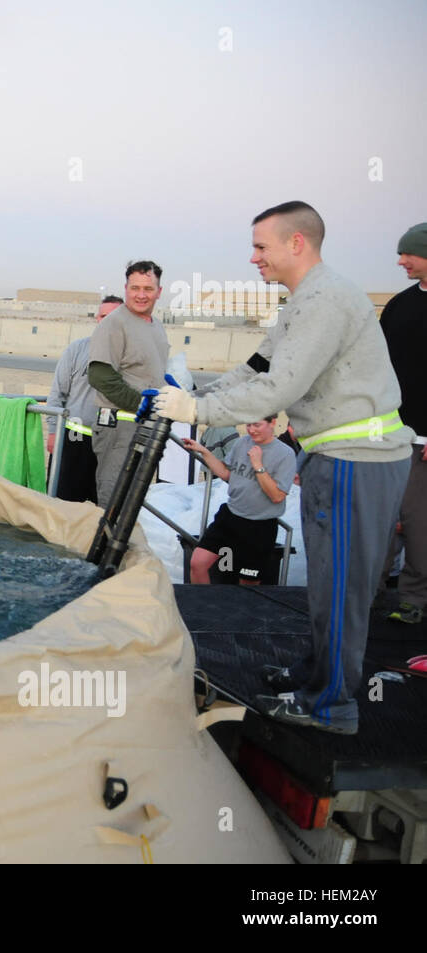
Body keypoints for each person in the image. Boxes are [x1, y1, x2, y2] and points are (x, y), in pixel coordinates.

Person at [155, 202, 413, 734]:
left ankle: (331, 706)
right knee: (326, 584)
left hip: (356, 461)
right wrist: (194, 393)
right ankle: (318, 673)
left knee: (342, 589)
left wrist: (198, 413)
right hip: (335, 456)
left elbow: (277, 390)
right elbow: (258, 366)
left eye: (261, 246)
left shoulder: (326, 301)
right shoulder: (303, 303)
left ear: (297, 243)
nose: (253, 257)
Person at [87, 262, 170, 506]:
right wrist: (141, 403)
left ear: (159, 291)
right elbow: (100, 376)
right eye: (135, 288)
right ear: (125, 288)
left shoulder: (156, 326)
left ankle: (124, 545)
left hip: (146, 426)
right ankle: (105, 544)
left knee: (133, 499)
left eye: (148, 288)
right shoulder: (113, 323)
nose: (141, 295)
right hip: (119, 426)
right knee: (113, 498)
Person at [377, 222, 427, 625]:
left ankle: (414, 601)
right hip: (387, 434)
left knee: (418, 525)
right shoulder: (399, 304)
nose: (400, 260)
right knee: (379, 519)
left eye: (408, 253)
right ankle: (368, 592)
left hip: (423, 442)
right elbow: (375, 366)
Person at [181, 416, 296, 585]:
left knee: (248, 581)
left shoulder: (285, 454)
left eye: (257, 425)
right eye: (249, 425)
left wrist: (258, 465)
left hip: (259, 527)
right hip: (230, 516)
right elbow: (227, 474)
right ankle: (204, 606)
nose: (251, 430)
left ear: (272, 423)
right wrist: (203, 451)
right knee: (197, 563)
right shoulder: (242, 443)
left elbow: (277, 496)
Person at [46, 295, 122, 502]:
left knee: (104, 505)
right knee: (63, 500)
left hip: (112, 444)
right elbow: (57, 395)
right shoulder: (77, 350)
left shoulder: (132, 356)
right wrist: (53, 433)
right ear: (97, 318)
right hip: (74, 437)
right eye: (103, 316)